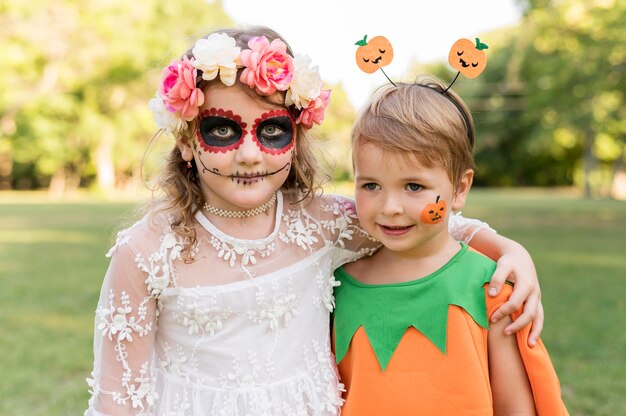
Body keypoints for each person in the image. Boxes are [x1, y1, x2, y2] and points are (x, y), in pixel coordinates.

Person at [85, 27, 545, 415]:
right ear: (186, 140)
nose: (249, 155)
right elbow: (118, 399)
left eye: (272, 131)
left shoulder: (319, 222)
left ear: (296, 135)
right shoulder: (145, 253)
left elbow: (419, 225)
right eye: (221, 130)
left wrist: (509, 251)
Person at [333, 78, 568, 415]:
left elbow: (515, 408)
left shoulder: (491, 286)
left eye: (414, 186)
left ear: (460, 188)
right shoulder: (338, 286)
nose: (390, 207)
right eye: (371, 185)